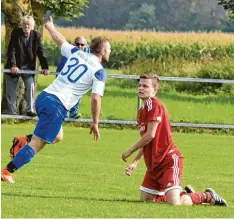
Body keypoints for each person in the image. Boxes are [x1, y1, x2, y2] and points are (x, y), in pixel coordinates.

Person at [1, 16, 111, 184]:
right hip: (57, 105)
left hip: (44, 97)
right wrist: (95, 122)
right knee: (38, 144)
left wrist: (51, 27)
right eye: (109, 49)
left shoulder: (77, 53)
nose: (110, 52)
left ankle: (24, 140)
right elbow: (96, 98)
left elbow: (60, 40)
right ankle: (6, 171)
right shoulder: (99, 71)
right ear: (102, 52)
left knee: (57, 136)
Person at [121, 73, 227, 207]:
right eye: (139, 85)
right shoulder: (141, 111)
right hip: (154, 165)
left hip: (169, 160)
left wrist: (129, 151)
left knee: (175, 203)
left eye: (145, 86)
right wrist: (135, 162)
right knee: (147, 199)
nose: (141, 88)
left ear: (154, 90)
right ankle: (182, 193)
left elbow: (150, 135)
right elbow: (146, 141)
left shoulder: (154, 104)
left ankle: (207, 196)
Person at [4, 15, 50, 116]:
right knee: (11, 91)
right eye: (24, 24)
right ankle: (12, 113)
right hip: (15, 65)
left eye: (28, 24)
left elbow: (41, 52)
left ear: (32, 25)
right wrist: (13, 65)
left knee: (31, 86)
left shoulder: (36, 35)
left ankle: (30, 110)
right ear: (22, 25)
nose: (26, 26)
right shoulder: (16, 33)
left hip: (28, 67)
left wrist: (45, 67)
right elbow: (12, 50)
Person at [56, 36, 90, 119]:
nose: (80, 46)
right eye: (77, 44)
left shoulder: (88, 52)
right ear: (74, 44)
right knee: (64, 95)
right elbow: (62, 67)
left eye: (82, 45)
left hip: (77, 78)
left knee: (78, 94)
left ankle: (74, 113)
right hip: (65, 77)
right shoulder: (69, 51)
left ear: (86, 45)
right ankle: (64, 112)